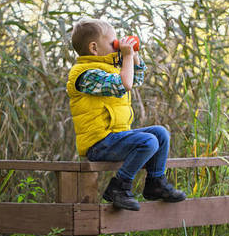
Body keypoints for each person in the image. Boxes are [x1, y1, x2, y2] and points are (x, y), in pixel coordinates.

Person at [66, 18, 186, 211]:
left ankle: (155, 182)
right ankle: (119, 187)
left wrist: (133, 56)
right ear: (94, 48)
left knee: (160, 133)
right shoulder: (84, 74)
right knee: (148, 142)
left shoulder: (109, 68)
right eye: (113, 43)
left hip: (115, 137)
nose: (117, 47)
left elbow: (135, 79)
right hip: (98, 144)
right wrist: (127, 57)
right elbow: (124, 84)